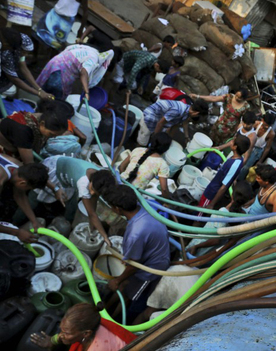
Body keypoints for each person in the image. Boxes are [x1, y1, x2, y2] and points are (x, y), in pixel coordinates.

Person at [104, 185, 170, 323]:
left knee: (132, 297)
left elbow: (134, 266)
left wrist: (117, 280)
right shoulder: (142, 208)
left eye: (111, 206)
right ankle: (107, 310)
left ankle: (121, 321)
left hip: (150, 270)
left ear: (117, 209)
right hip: (152, 252)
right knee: (124, 286)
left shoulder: (136, 232)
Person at [29, 302, 136, 350]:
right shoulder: (92, 322)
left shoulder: (97, 348)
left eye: (66, 333)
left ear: (86, 333)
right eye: (62, 329)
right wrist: (52, 341)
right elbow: (66, 335)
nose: (61, 335)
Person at [36, 44, 119, 100]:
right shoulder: (94, 58)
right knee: (54, 101)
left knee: (42, 92)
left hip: (53, 64)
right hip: (60, 74)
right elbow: (84, 72)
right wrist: (86, 92)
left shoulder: (90, 50)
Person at [0, 99, 69, 164]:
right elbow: (28, 163)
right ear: (42, 124)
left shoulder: (41, 117)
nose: (53, 138)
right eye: (51, 134)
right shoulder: (24, 130)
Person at [0, 156, 50, 243]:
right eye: (28, 189)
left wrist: (34, 221)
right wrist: (17, 232)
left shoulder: (17, 166)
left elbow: (20, 196)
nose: (27, 191)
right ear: (22, 183)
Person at [199, 134, 250, 211]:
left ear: (235, 147)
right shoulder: (237, 158)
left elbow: (224, 187)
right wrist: (219, 148)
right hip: (211, 188)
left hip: (212, 193)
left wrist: (211, 204)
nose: (230, 142)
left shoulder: (234, 165)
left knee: (199, 213)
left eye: (233, 141)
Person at [0, 28, 54, 99]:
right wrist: (38, 93)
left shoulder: (21, 40)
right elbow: (14, 79)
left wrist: (39, 89)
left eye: (27, 52)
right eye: (24, 52)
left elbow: (23, 68)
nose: (25, 55)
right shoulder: (6, 53)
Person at [137, 96, 209, 146]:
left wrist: (168, 140)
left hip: (158, 120)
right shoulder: (178, 110)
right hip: (149, 117)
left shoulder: (186, 113)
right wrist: (155, 139)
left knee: (154, 141)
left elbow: (175, 126)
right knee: (143, 142)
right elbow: (160, 124)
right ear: (196, 113)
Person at [120, 132, 171, 199]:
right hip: (132, 196)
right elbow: (164, 189)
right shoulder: (162, 164)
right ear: (166, 149)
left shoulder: (137, 150)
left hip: (119, 184)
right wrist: (168, 201)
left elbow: (121, 167)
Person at [237, 113, 276, 181]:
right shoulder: (257, 124)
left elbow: (267, 148)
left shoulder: (271, 134)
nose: (266, 127)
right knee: (238, 159)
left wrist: (260, 160)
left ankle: (237, 180)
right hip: (248, 144)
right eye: (265, 124)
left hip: (257, 151)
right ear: (262, 120)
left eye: (268, 125)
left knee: (245, 168)